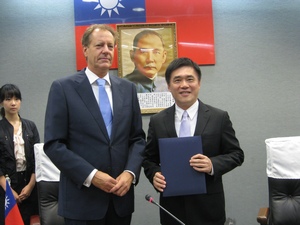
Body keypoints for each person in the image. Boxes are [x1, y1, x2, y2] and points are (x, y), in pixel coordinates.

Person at [44, 24, 146, 225]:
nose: (106, 51)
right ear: (85, 50)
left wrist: (130, 172)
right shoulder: (63, 88)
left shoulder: (128, 89)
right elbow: (54, 144)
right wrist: (91, 175)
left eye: (110, 46)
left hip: (120, 200)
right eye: (99, 45)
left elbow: (137, 139)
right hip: (82, 201)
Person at [143, 57, 244, 225]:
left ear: (199, 83)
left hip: (209, 208)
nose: (184, 85)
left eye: (190, 79)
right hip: (172, 208)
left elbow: (236, 154)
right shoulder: (157, 121)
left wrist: (212, 164)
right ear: (169, 86)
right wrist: (154, 174)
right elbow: (148, 159)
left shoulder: (219, 117)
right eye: (177, 80)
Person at [0, 84, 39, 225]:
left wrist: (30, 185)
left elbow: (37, 159)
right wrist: (9, 191)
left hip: (29, 185)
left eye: (17, 99)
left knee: (29, 220)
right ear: (1, 102)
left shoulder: (30, 126)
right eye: (8, 99)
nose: (13, 103)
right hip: (5, 186)